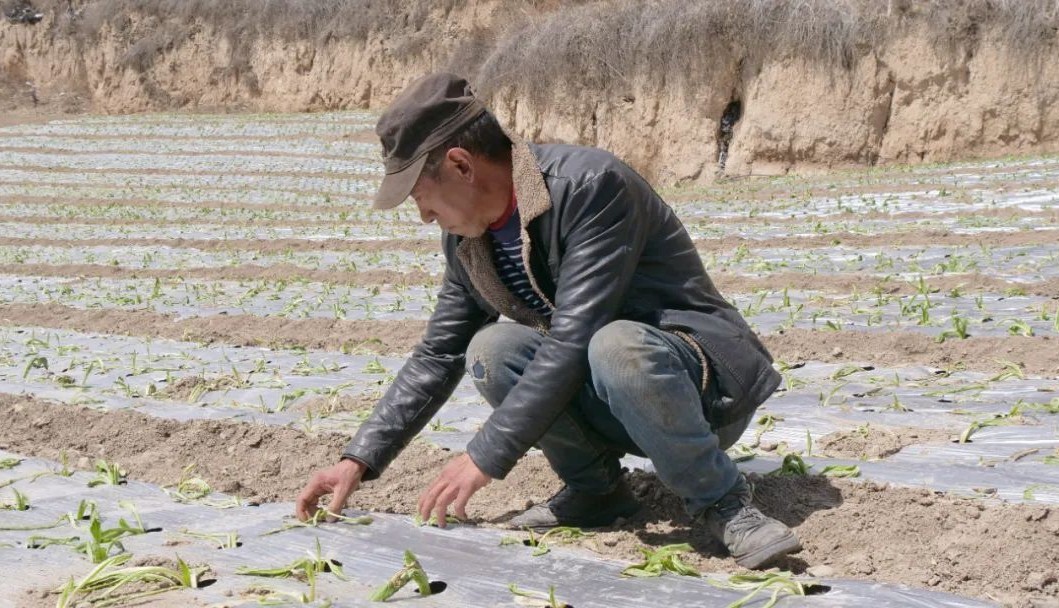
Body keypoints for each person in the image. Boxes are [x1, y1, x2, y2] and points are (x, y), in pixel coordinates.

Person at [295, 73, 801, 569]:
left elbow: (573, 339)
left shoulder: (590, 187)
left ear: (460, 165)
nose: (424, 215)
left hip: (700, 389)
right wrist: (356, 461)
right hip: (608, 396)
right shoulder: (470, 242)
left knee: (615, 344)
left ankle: (724, 503)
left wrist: (484, 456)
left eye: (418, 196)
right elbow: (439, 353)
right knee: (490, 350)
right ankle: (597, 493)